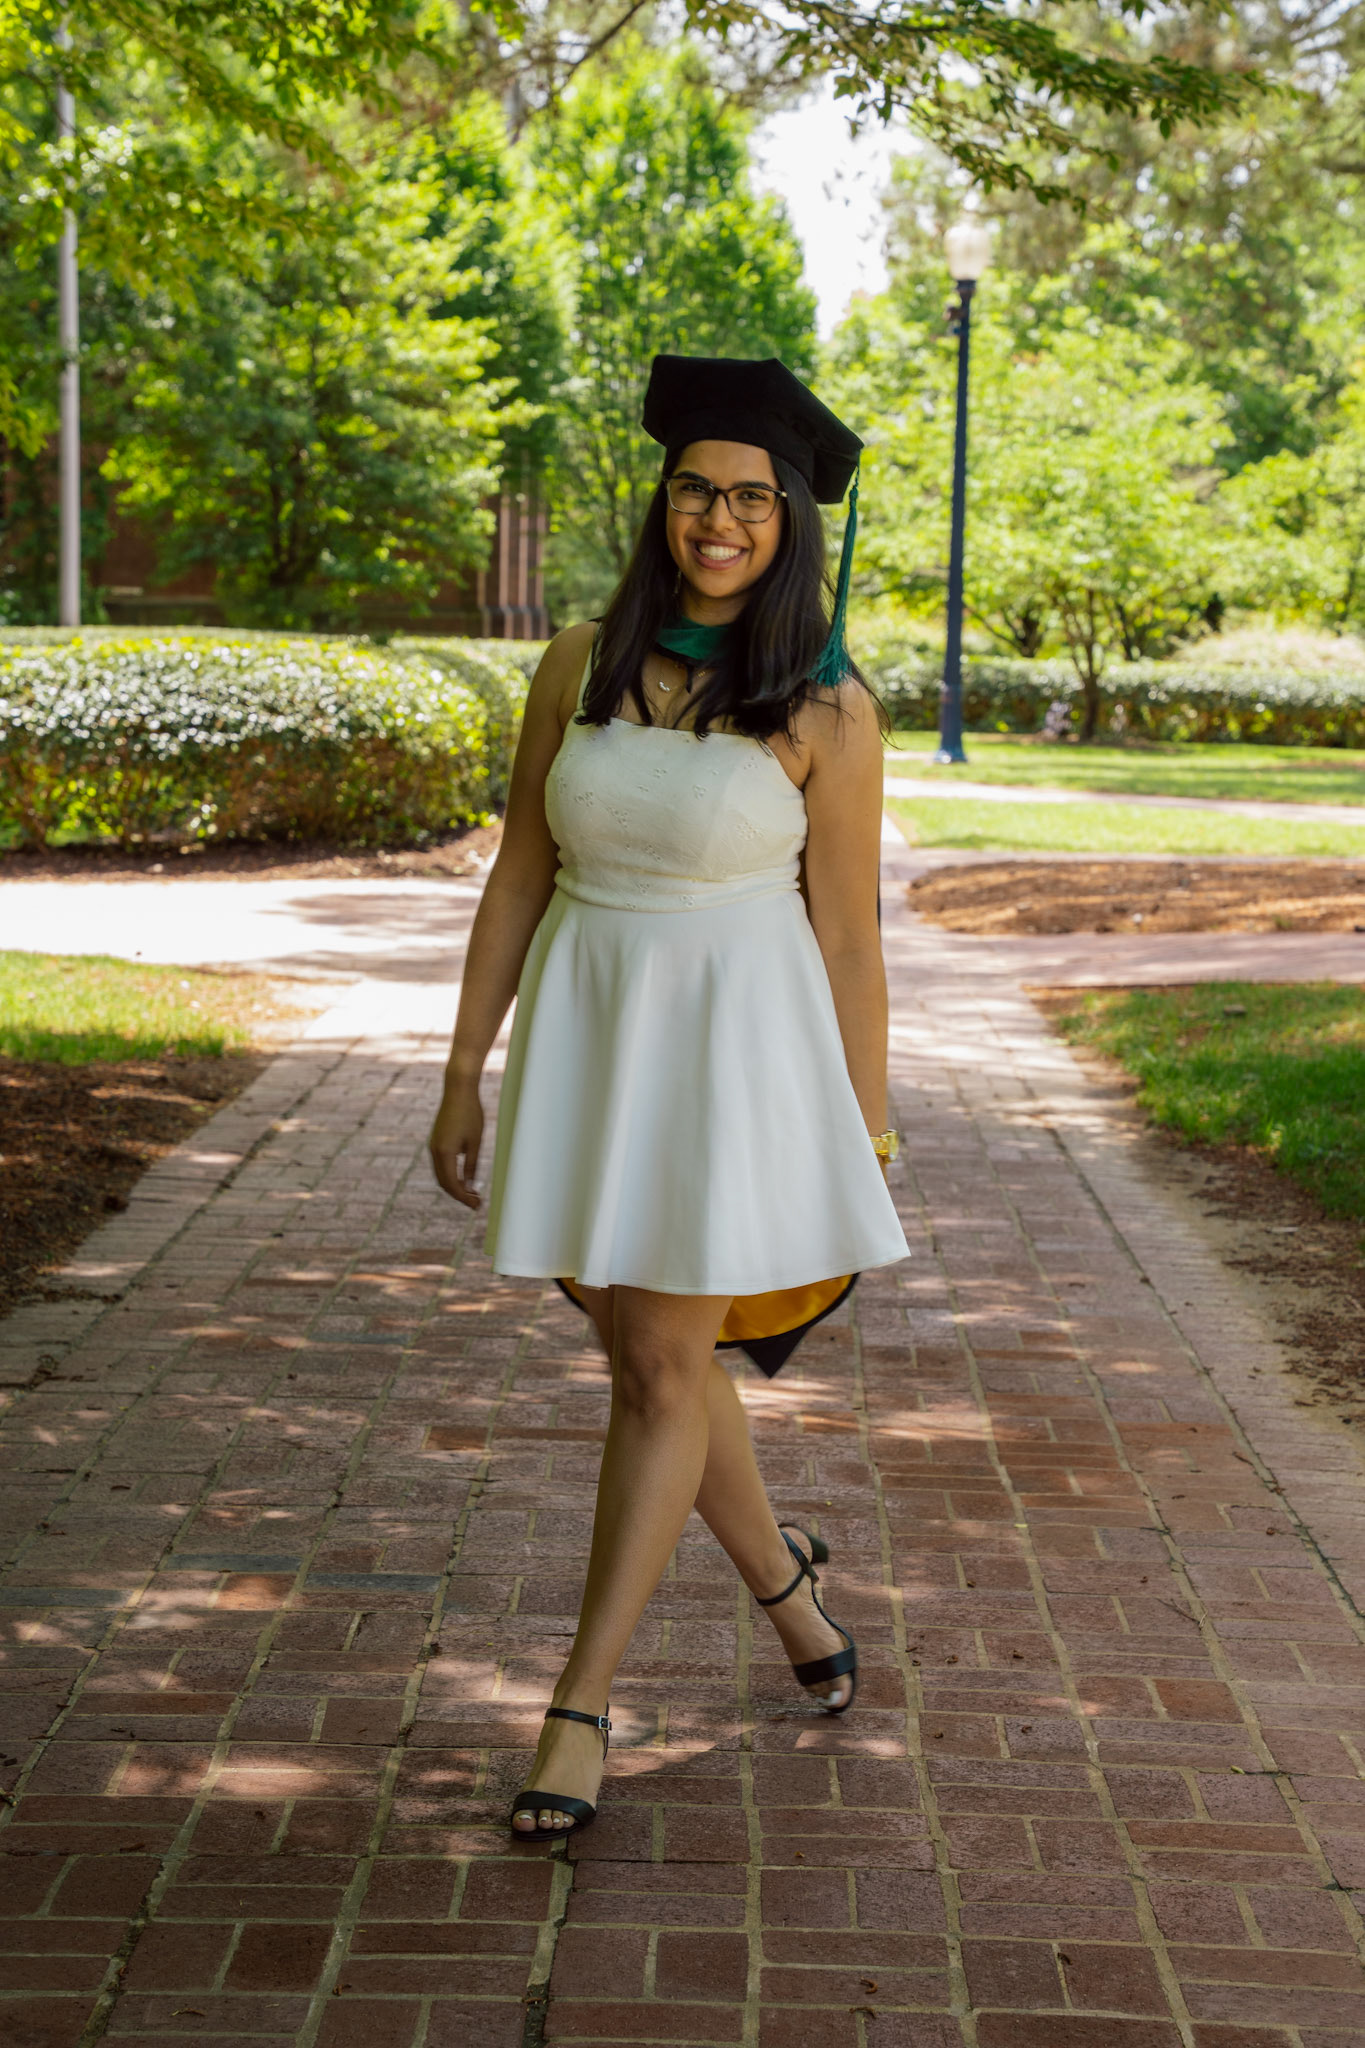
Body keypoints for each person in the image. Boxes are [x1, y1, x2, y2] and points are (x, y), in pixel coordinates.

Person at [428, 354, 908, 1840]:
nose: (721, 519)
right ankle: (789, 1592)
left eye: (753, 498)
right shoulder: (577, 663)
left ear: (791, 523)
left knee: (652, 1369)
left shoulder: (826, 709)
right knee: (666, 1366)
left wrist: (868, 1123)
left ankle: (577, 1708)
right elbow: (521, 869)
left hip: (729, 1060)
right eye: (697, 489)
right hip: (591, 1038)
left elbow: (848, 937)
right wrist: (463, 1066)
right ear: (662, 503)